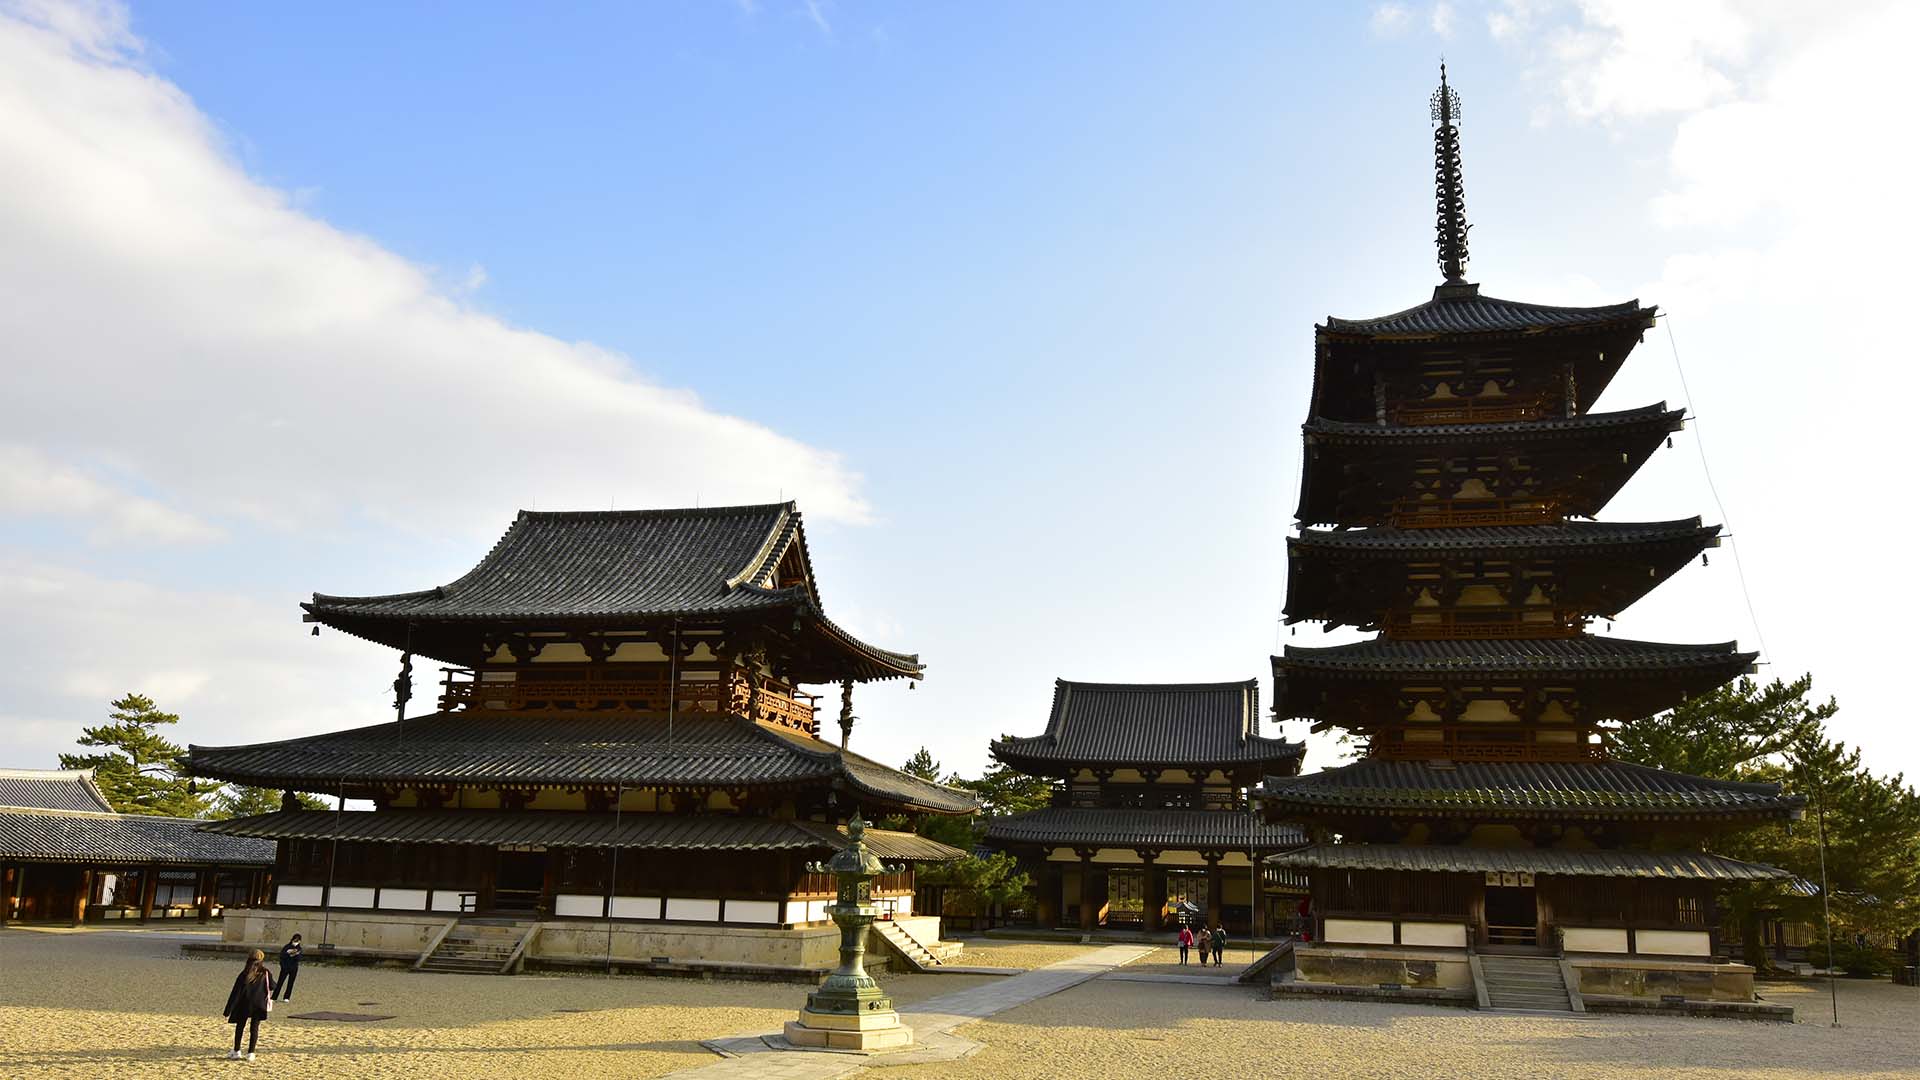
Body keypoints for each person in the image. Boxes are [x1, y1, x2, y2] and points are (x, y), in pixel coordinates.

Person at [223, 948, 274, 1061]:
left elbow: (235, 993)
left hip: (244, 1004)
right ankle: (251, 1053)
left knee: (240, 1027)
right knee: (254, 1029)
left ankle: (237, 1051)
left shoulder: (244, 973)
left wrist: (228, 1010)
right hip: (259, 1005)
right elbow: (273, 986)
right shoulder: (265, 972)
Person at [274, 934, 302, 1001]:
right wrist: (283, 965)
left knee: (290, 983)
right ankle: (274, 997)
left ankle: (286, 997)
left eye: (298, 940)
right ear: (292, 939)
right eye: (295, 940)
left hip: (294, 968)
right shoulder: (287, 947)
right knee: (280, 982)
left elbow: (299, 958)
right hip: (285, 967)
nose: (296, 941)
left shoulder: (299, 948)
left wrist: (296, 954)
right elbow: (281, 956)